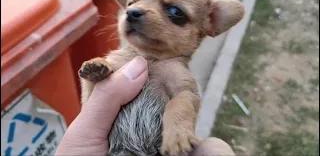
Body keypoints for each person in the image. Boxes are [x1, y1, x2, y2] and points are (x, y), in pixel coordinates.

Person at [55, 56, 235, 156]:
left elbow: (188, 99)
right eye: (133, 3)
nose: (136, 12)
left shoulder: (178, 72)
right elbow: (91, 106)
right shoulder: (121, 60)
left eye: (173, 12)